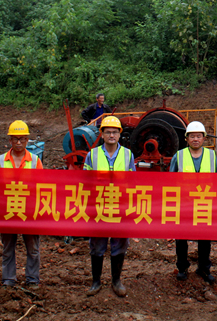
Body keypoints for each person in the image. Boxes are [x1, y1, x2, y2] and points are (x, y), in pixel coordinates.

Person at [84, 115, 136, 297]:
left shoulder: (128, 155)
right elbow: (85, 181)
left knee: (119, 243)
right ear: (102, 134)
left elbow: (133, 182)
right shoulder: (92, 155)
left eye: (115, 132)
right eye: (108, 132)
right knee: (97, 244)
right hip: (99, 207)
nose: (111, 135)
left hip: (120, 207)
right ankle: (96, 281)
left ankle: (116, 280)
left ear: (120, 134)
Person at [0, 120, 43, 287]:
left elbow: (41, 186)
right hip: (8, 210)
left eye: (22, 139)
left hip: (29, 211)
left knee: (33, 249)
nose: (18, 142)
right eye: (15, 139)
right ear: (10, 140)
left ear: (27, 140)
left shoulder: (35, 161)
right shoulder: (1, 160)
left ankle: (32, 279)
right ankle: (8, 279)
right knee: (8, 248)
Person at [170, 121, 217, 283]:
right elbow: (170, 180)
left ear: (204, 138)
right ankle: (182, 268)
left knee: (205, 238)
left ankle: (204, 268)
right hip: (183, 205)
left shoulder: (211, 156)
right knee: (181, 238)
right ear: (187, 138)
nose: (195, 139)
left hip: (205, 204)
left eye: (198, 136)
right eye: (192, 136)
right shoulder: (179, 156)